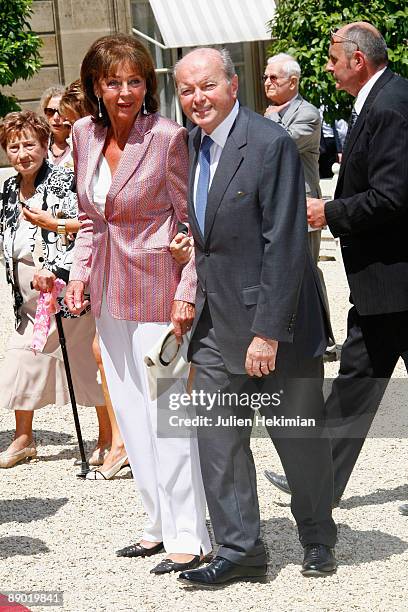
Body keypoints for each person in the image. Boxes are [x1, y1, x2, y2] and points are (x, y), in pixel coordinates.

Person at [171, 47, 337, 587]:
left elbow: (286, 244)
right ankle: (241, 549)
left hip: (276, 322)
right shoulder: (190, 145)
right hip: (216, 325)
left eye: (207, 86)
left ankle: (316, 534)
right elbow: (212, 237)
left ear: (233, 85)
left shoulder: (271, 145)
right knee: (217, 441)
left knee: (297, 440)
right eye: (187, 89)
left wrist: (267, 333)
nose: (197, 98)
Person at [64, 34, 211, 573]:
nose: (125, 91)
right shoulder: (82, 134)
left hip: (158, 293)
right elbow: (88, 220)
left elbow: (189, 222)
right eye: (113, 82)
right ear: (96, 87)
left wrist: (186, 290)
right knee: (129, 412)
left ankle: (189, 534)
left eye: (134, 81)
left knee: (168, 414)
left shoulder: (168, 136)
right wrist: (79, 277)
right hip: (107, 295)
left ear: (147, 84)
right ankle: (156, 525)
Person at [270, 22, 408, 507]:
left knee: (356, 379)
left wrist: (329, 211)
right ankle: (318, 480)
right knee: (356, 379)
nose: (327, 68)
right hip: (384, 281)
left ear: (358, 61)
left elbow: (393, 197)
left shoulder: (390, 106)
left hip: (396, 277)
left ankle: (316, 480)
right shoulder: (383, 98)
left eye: (332, 59)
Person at [0, 111, 105, 468]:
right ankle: (24, 439)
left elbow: (84, 228)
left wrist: (57, 269)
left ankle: (108, 438)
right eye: (13, 147)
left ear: (45, 145)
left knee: (84, 364)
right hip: (27, 301)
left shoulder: (62, 181)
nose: (22, 153)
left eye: (29, 144)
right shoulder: (9, 189)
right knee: (20, 359)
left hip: (66, 291)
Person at [60, 79, 128, 479]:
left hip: (134, 266)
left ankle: (124, 439)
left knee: (132, 360)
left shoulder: (151, 138)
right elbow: (88, 218)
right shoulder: (82, 143)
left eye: (68, 120)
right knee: (104, 355)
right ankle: (118, 437)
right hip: (96, 264)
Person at [40, 86, 73, 168]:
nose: (56, 118)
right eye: (50, 111)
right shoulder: (40, 142)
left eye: (61, 111)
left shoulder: (78, 141)